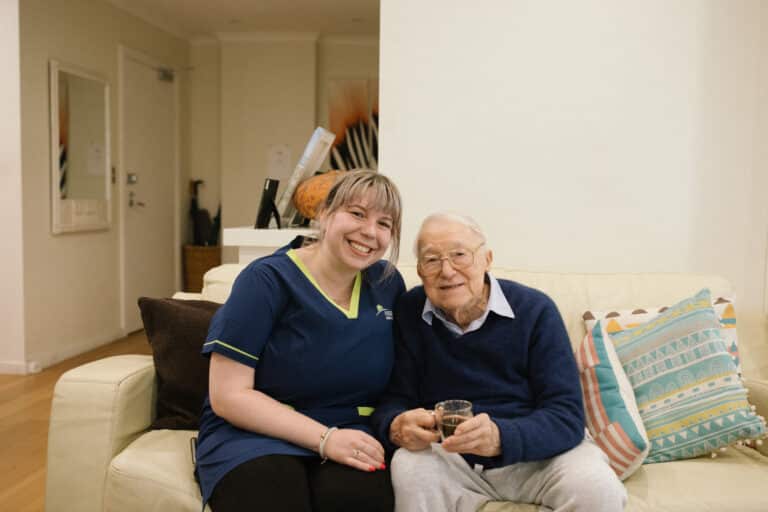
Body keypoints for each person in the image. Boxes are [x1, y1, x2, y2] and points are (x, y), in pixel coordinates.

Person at [371, 213, 627, 512]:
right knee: (409, 465)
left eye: (459, 255)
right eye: (432, 260)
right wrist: (395, 425)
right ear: (419, 270)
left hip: (540, 456)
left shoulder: (535, 310)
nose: (447, 271)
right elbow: (392, 399)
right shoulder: (409, 311)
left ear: (487, 259)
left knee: (597, 487)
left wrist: (500, 438)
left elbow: (566, 416)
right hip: (451, 457)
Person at [195, 170, 405, 512]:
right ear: (324, 214)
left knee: (362, 500)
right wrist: (325, 440)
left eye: (385, 223)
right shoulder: (265, 280)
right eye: (357, 214)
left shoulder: (387, 283)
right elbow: (228, 396)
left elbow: (410, 371)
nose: (370, 232)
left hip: (351, 431)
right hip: (256, 435)